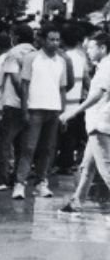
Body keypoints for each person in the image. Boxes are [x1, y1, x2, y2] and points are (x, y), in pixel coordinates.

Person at [11, 25, 73, 200]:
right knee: (28, 148)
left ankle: (41, 182)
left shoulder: (61, 61)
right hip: (35, 109)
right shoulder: (31, 58)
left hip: (53, 111)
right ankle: (20, 183)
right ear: (43, 40)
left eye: (57, 39)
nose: (55, 43)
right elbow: (24, 86)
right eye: (51, 39)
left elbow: (62, 89)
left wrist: (63, 113)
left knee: (47, 149)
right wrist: (24, 109)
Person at [60, 32, 110, 213]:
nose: (87, 51)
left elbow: (98, 94)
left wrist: (74, 111)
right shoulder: (103, 65)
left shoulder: (106, 67)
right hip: (97, 123)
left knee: (106, 169)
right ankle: (77, 201)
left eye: (91, 47)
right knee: (87, 166)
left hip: (100, 123)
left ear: (102, 48)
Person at [0, 26, 35, 192]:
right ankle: (18, 178)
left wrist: (23, 98)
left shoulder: (13, 54)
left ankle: (1, 179)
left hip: (13, 104)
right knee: (22, 144)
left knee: (4, 143)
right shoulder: (37, 54)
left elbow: (15, 80)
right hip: (32, 105)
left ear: (16, 36)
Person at [57, 24, 90, 175]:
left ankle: (57, 163)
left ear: (62, 40)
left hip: (60, 102)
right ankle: (67, 163)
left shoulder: (61, 57)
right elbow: (86, 79)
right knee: (70, 136)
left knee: (58, 135)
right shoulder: (81, 57)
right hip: (75, 103)